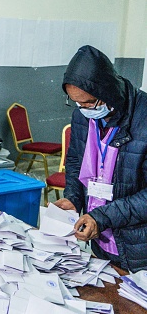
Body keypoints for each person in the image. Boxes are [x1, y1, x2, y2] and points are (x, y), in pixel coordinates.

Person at [54, 45, 147, 272]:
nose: (84, 109)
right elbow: (75, 161)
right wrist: (73, 198)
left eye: (89, 103)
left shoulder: (143, 118)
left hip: (139, 243)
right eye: (76, 103)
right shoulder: (83, 116)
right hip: (102, 238)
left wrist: (103, 216)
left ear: (108, 92)